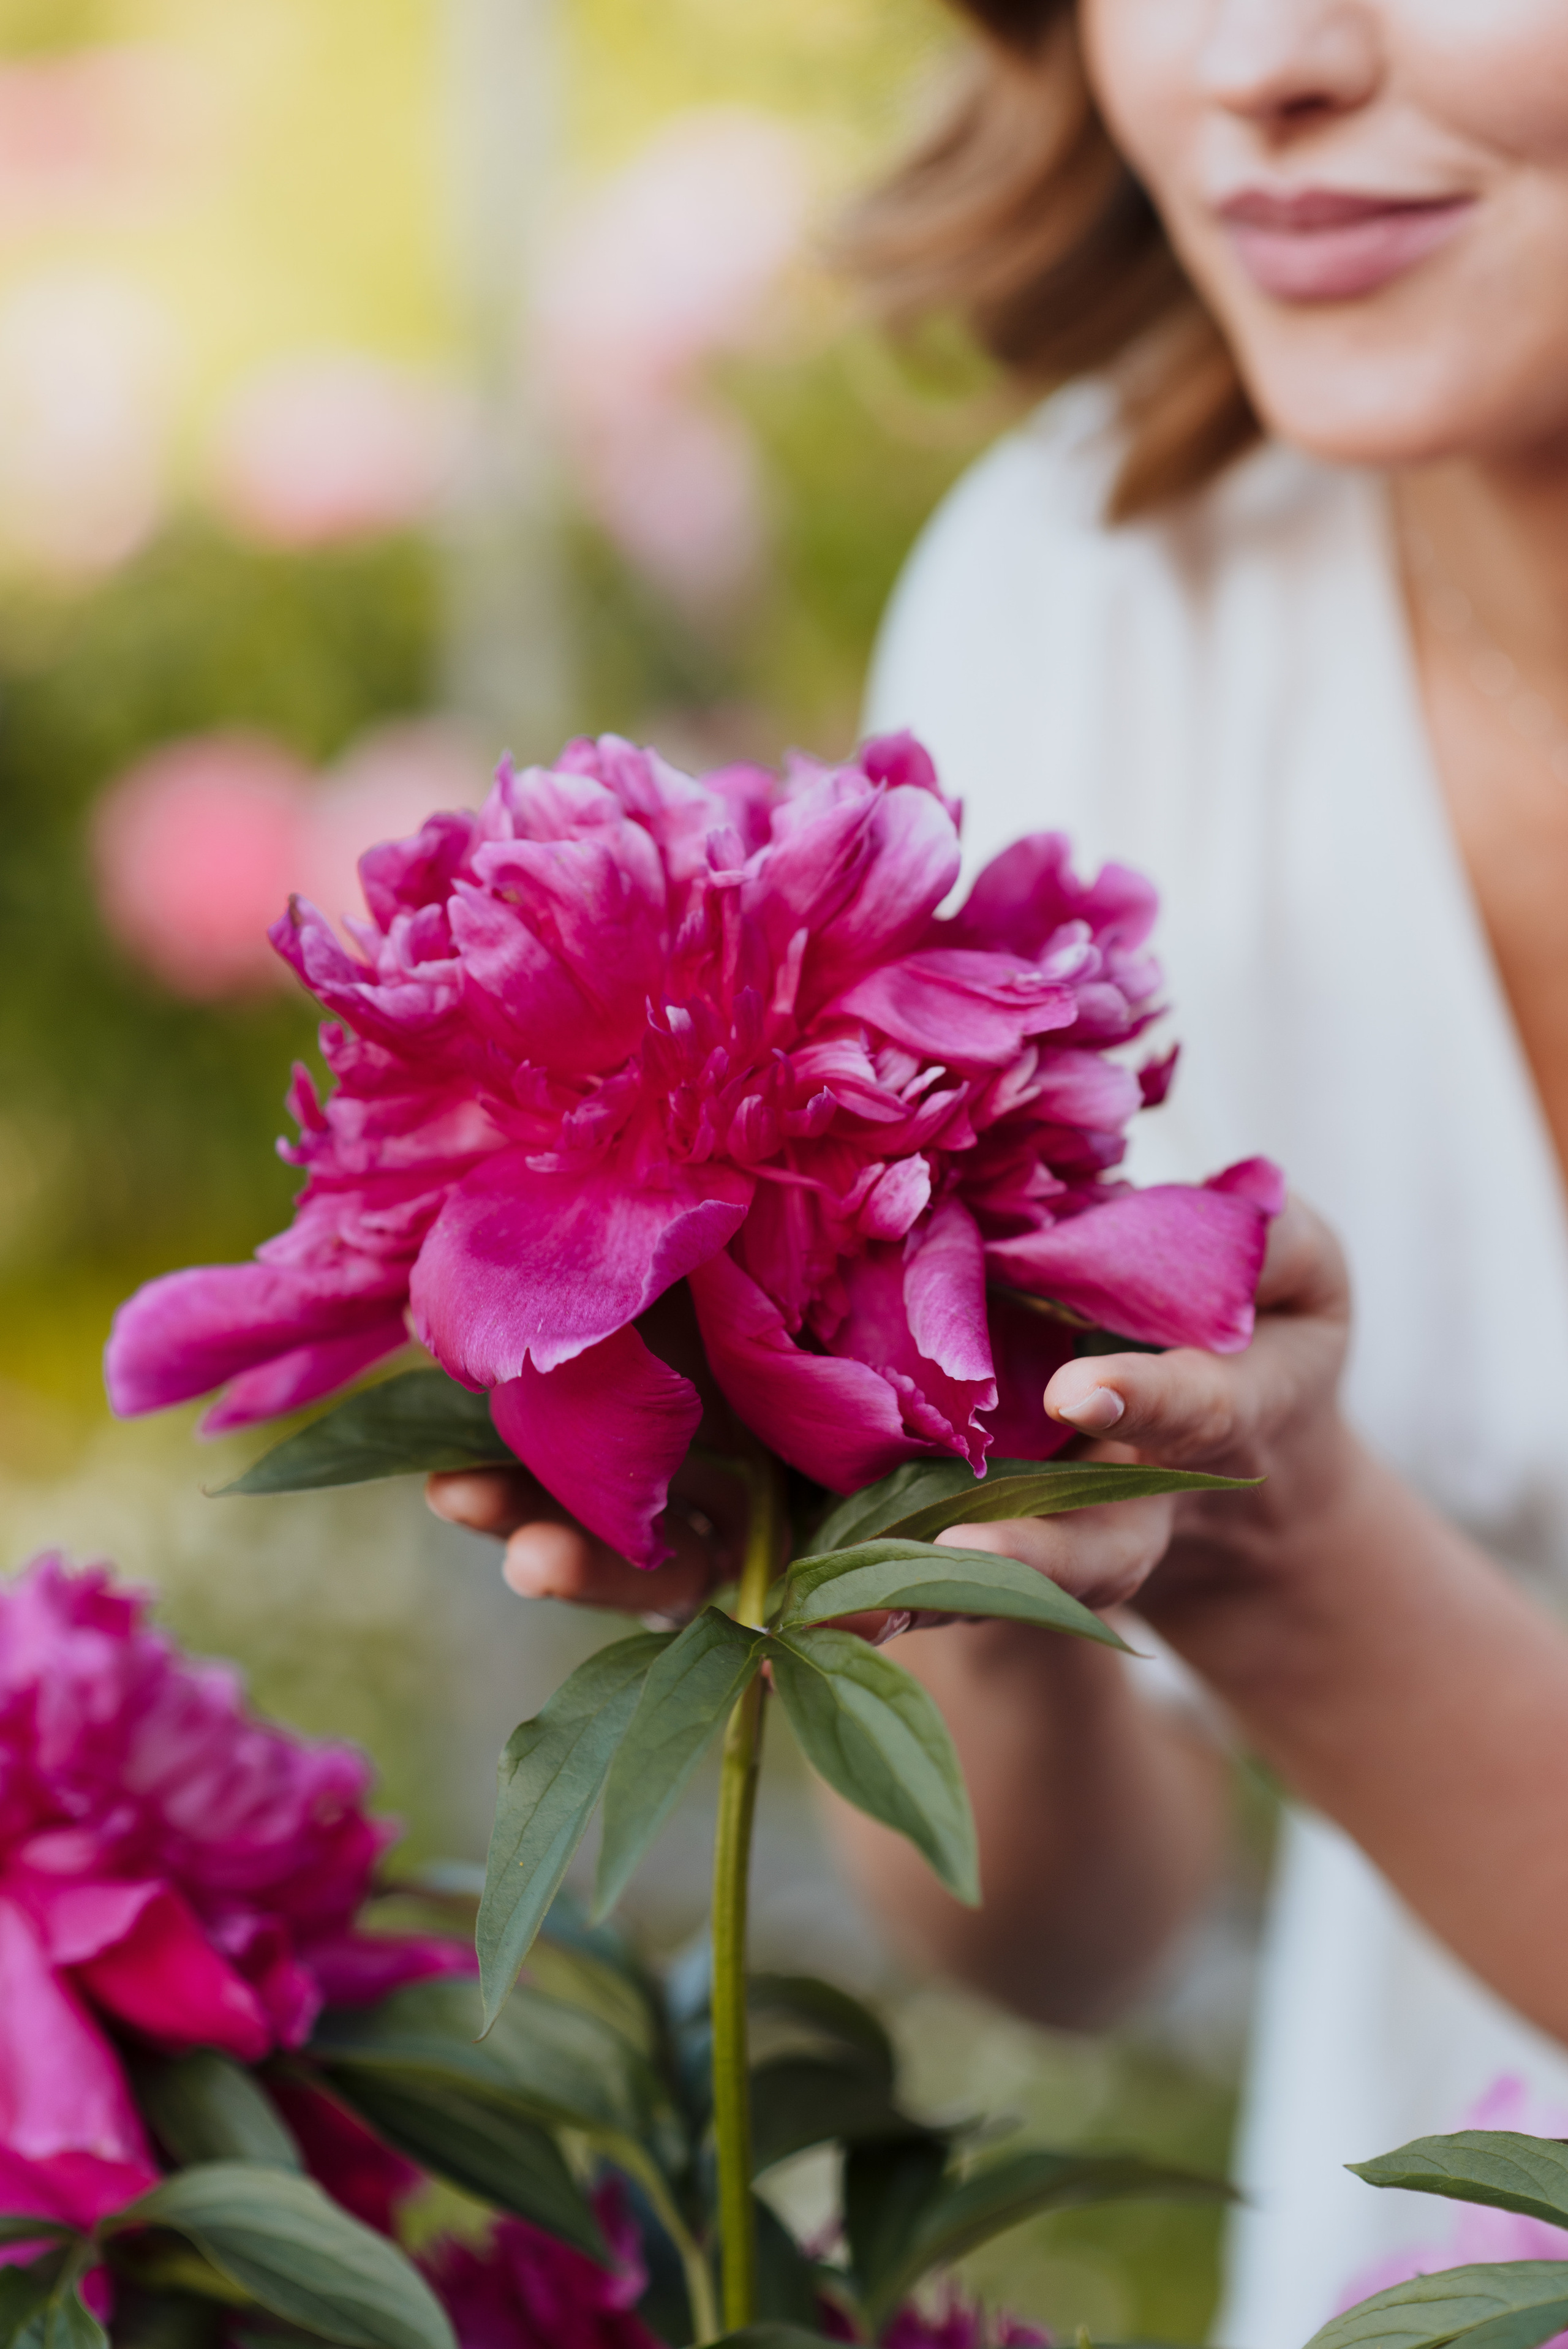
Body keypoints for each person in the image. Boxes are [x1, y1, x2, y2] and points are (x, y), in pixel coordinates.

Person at [429, 2, 1568, 2337]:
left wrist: (1280, 1547)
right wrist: (948, 1561)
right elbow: (1068, 1933)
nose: (1259, 56)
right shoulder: (1104, 584)